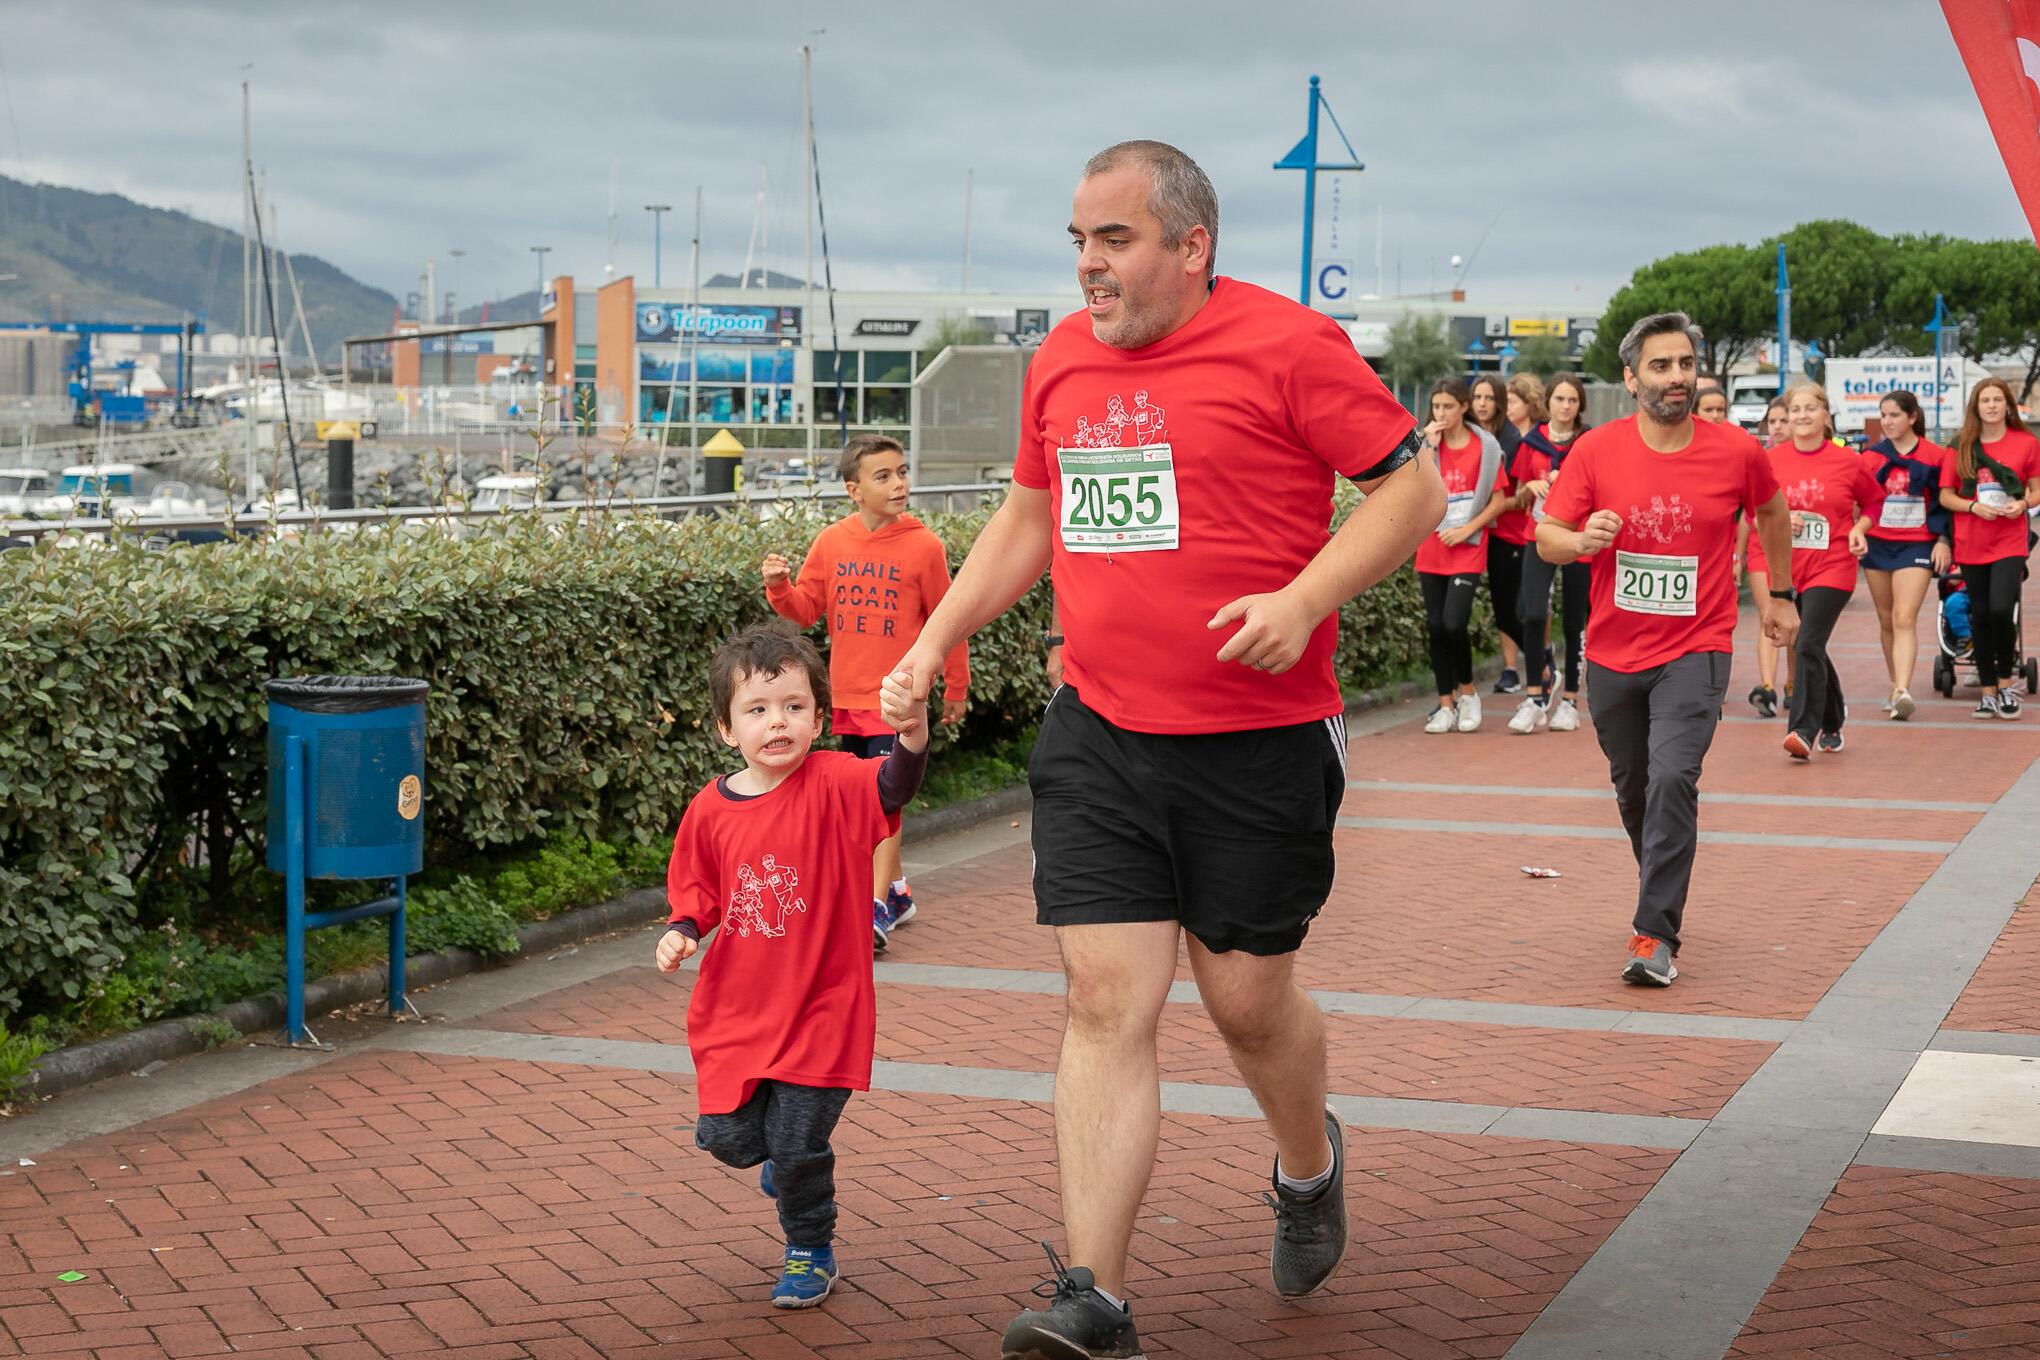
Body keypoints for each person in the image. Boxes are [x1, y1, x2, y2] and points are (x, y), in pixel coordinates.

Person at [889, 139, 1441, 1360]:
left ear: (1191, 245)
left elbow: (1414, 491)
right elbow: (1031, 518)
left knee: (1246, 1004)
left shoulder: (1290, 346)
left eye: (1115, 239)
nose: (1089, 265)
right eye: (1079, 240)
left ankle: (1309, 1161)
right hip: (1099, 731)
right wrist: (934, 640)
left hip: (1261, 740)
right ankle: (1097, 1295)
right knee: (1103, 999)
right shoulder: (1061, 361)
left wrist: (1303, 599)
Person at [655, 624, 929, 1309]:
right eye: (757, 710)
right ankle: (782, 1164)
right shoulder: (709, 810)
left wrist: (914, 735)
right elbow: (697, 892)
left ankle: (809, 1248)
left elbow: (894, 784)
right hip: (739, 1011)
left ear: (818, 717)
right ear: (726, 729)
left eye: (794, 707)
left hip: (824, 1008)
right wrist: (682, 931)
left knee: (799, 1141)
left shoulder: (837, 781)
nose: (777, 722)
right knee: (727, 1138)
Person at [1536, 312, 1797, 986]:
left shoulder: (1737, 450)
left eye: (1685, 363)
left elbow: (1772, 514)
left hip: (1697, 645)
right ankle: (1660, 878)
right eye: (1661, 366)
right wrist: (1581, 540)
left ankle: (1654, 932)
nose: (1677, 377)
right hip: (1615, 655)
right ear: (1631, 378)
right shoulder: (1596, 451)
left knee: (1675, 777)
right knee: (1635, 791)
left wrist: (1780, 594)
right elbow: (1548, 537)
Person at [762, 434, 970, 949]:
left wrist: (955, 687)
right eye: (884, 476)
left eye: (901, 472)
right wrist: (779, 588)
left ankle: (875, 908)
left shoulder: (925, 546)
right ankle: (895, 894)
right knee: (865, 805)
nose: (899, 483)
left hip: (897, 700)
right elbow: (807, 609)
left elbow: (949, 621)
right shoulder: (832, 542)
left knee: (884, 803)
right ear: (854, 489)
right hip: (846, 699)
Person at [1767, 384, 1883, 758]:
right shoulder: (1771, 460)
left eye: (1810, 408)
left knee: (1807, 642)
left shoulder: (1848, 461)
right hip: (1789, 567)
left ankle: (1802, 730)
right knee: (1811, 645)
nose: (1801, 415)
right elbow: (1754, 511)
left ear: (1825, 415)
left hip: (1833, 566)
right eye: (1795, 409)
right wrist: (1786, 518)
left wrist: (1860, 529)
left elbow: (1874, 502)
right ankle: (1834, 716)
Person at [1937, 377, 2040, 718]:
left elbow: (2036, 489)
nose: (1993, 406)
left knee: (2000, 609)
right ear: (1976, 407)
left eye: (1998, 400)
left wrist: (2023, 505)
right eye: (1986, 400)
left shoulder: (2026, 443)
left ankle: (2007, 683)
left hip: (2009, 539)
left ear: (2008, 405)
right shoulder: (1961, 446)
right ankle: (1987, 691)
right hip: (1971, 540)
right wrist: (1972, 507)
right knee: (1979, 614)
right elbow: (1945, 495)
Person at [1421, 378, 1511, 732]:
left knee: (1454, 622)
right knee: (1435, 627)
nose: (1440, 414)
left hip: (1468, 547)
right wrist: (1429, 445)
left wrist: (1467, 529)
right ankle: (1445, 703)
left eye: (1447, 406)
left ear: (1462, 407)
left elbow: (1499, 500)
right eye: (1436, 407)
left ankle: (1469, 693)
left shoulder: (1485, 446)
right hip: (1431, 546)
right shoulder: (1427, 445)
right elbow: (1416, 487)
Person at [1508, 372, 1592, 734]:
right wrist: (1532, 485)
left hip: (1577, 538)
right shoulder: (1532, 442)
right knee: (1531, 611)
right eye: (1560, 399)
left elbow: (1601, 486)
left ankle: (1571, 699)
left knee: (1574, 620)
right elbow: (1518, 490)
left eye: (1573, 400)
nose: (1566, 406)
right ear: (1549, 403)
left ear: (1580, 405)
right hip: (1538, 534)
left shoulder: (1589, 444)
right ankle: (1535, 696)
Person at [1860, 390, 1951, 720]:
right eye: (1883, 415)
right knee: (1886, 619)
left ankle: (1902, 689)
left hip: (1917, 544)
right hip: (1878, 544)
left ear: (1912, 417)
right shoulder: (1870, 458)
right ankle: (1893, 684)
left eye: (1894, 415)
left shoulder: (1935, 456)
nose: (1887, 422)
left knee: (1904, 617)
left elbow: (1945, 501)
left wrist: (1943, 540)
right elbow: (1858, 499)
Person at [1471, 374, 1529, 694]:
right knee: (1500, 606)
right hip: (1477, 533)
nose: (1482, 404)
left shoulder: (1513, 440)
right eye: (1477, 397)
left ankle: (1539, 662)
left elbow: (1522, 496)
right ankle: (1515, 669)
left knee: (1512, 608)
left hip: (1509, 534)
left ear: (1500, 403)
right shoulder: (1464, 436)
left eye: (1489, 398)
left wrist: (1483, 509)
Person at [1743, 394, 1795, 717]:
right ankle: (1767, 686)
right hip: (1760, 550)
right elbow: (1747, 515)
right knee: (1768, 614)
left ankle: (1793, 683)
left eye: (1783, 420)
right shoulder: (1759, 459)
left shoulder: (1812, 458)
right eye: (1771, 421)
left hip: (1802, 554)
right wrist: (1736, 555)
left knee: (1794, 621)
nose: (1777, 426)